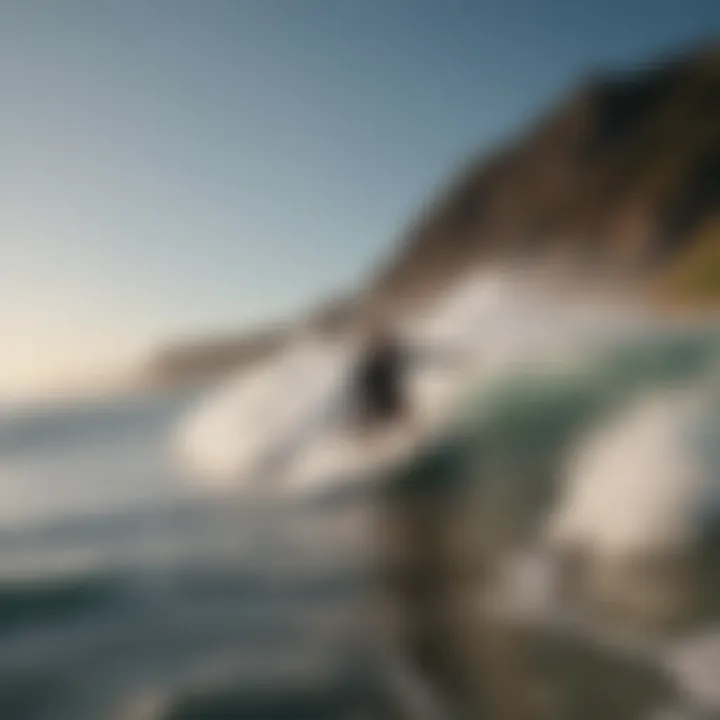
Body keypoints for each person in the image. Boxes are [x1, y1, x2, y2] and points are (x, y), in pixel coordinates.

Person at [352, 320, 409, 429]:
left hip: (381, 382)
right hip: (378, 381)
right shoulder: (374, 354)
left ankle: (386, 414)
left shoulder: (386, 352)